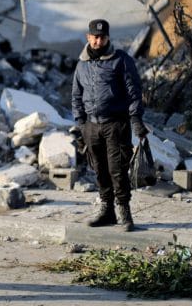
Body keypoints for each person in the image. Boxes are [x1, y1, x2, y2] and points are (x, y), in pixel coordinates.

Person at [71, 19, 148, 232]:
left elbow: (134, 93)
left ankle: (124, 211)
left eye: (102, 37)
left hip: (116, 125)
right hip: (91, 127)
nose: (98, 40)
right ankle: (106, 210)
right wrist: (80, 125)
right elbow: (77, 96)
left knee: (117, 170)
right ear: (88, 37)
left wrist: (136, 121)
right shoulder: (81, 64)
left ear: (107, 38)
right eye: (95, 37)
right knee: (99, 170)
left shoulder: (121, 60)